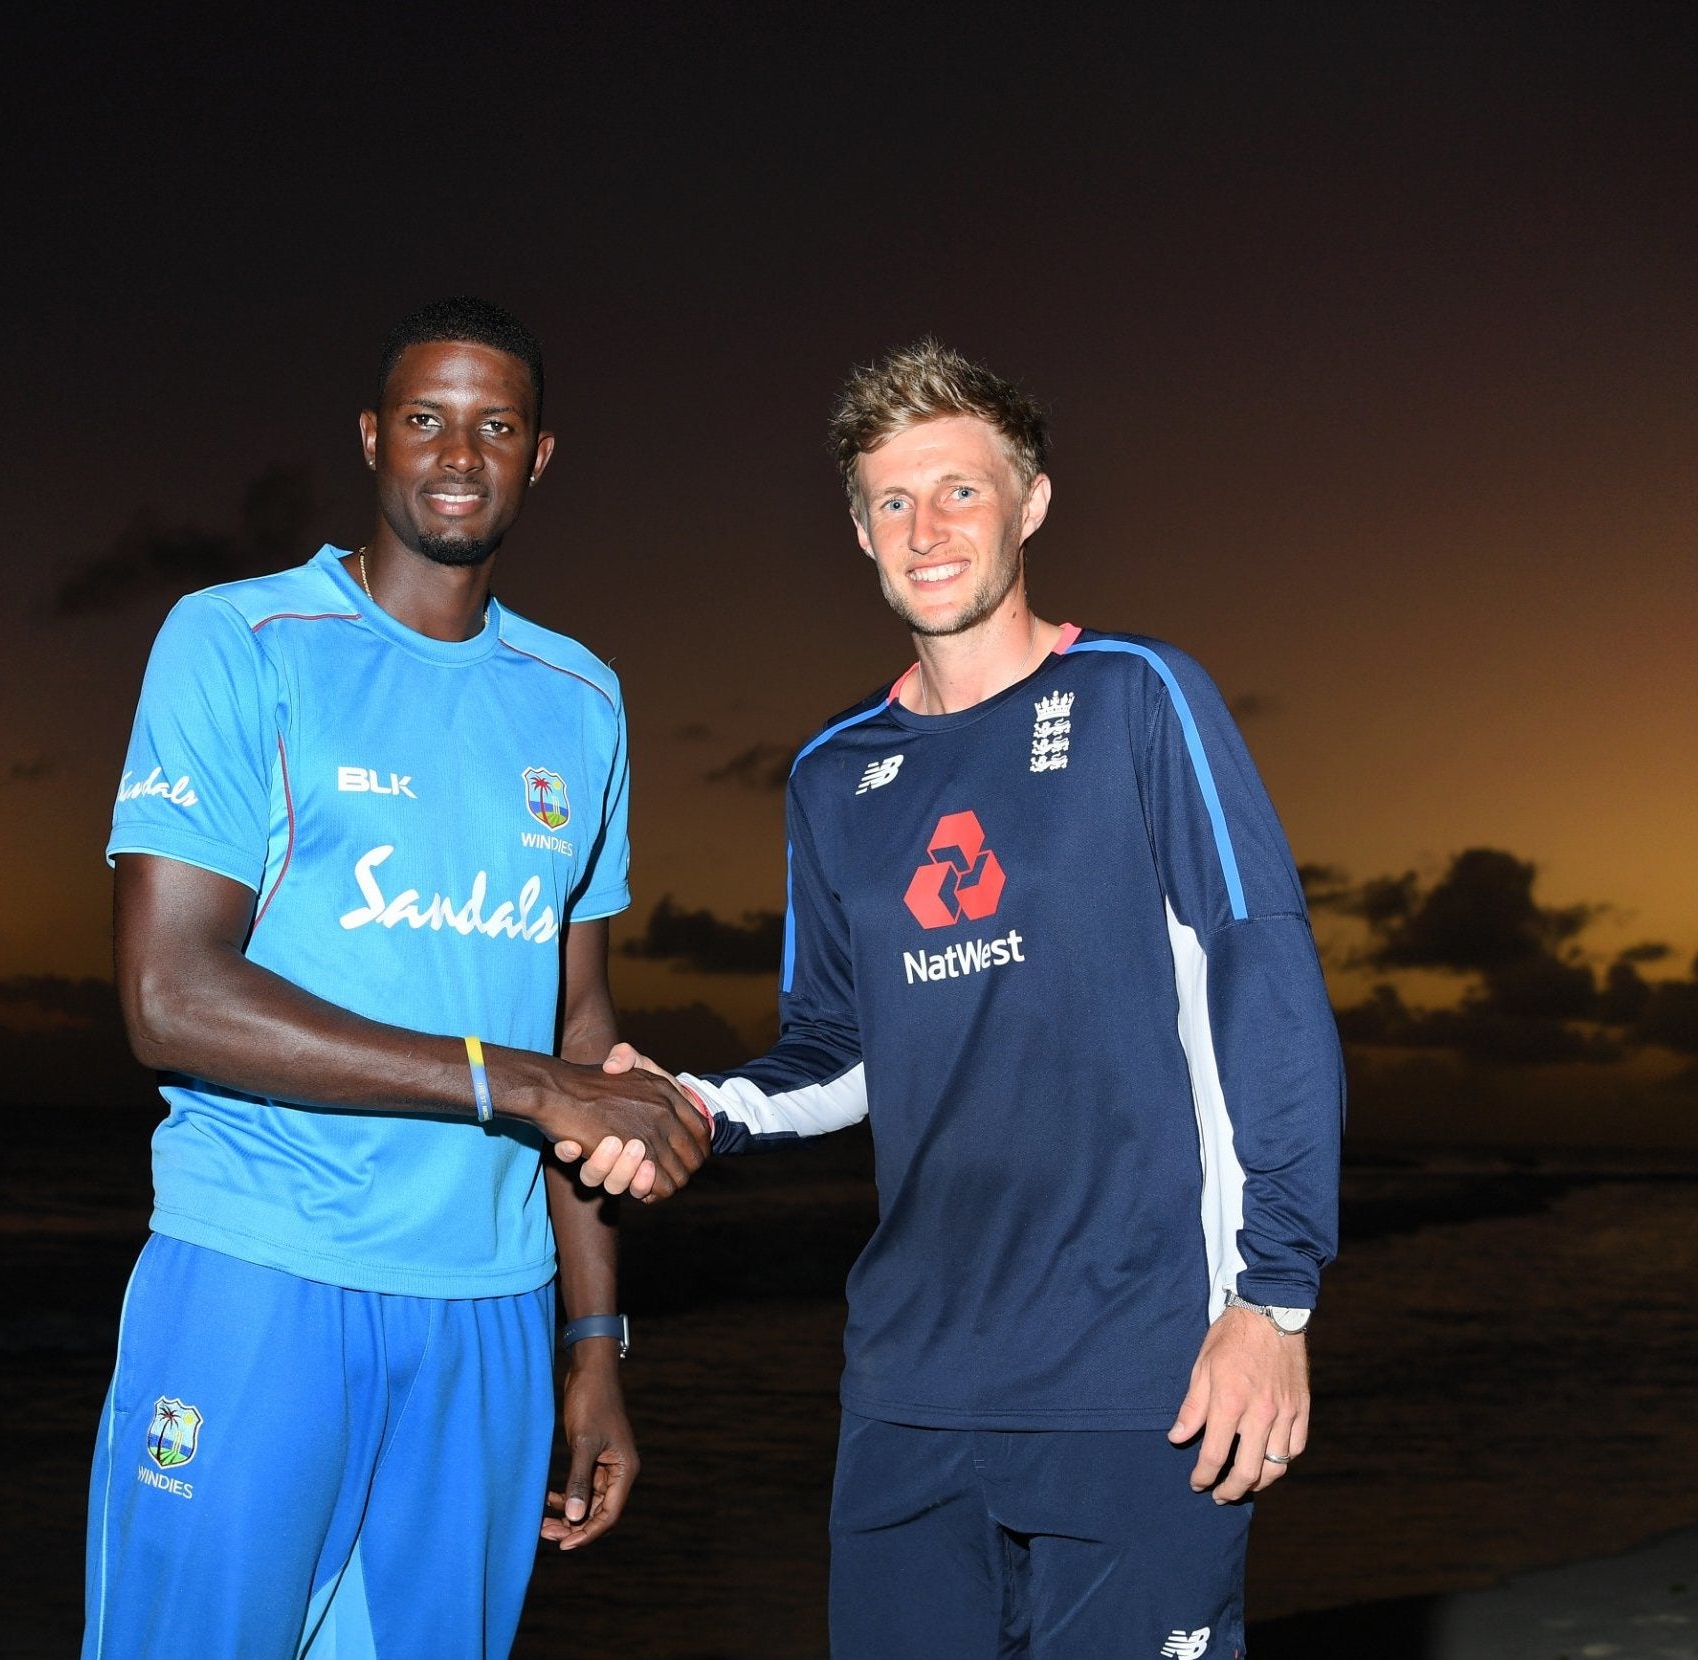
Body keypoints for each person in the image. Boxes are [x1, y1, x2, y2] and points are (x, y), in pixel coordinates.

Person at [604, 339, 1344, 1659]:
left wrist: (1268, 1306)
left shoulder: (1136, 697)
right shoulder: (834, 774)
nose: (925, 529)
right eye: (891, 501)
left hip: (1143, 1371)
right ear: (855, 531)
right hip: (911, 1383)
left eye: (958, 490)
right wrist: (693, 1106)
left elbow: (1265, 985)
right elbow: (839, 1047)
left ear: (1030, 502)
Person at [84, 296, 711, 1660]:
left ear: (538, 456)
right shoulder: (238, 641)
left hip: (489, 1319)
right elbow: (168, 997)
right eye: (426, 418)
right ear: (373, 439)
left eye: (497, 425)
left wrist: (593, 1346)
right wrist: (529, 1084)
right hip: (260, 1281)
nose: (459, 455)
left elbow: (580, 1032)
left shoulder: (579, 698)